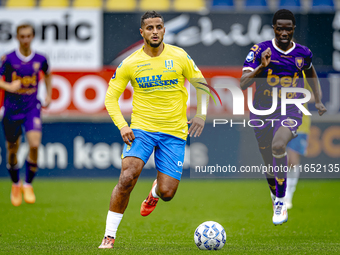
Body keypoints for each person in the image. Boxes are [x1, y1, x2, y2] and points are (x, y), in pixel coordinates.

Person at [99, 11, 209, 248]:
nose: (155, 31)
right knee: (127, 178)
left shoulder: (179, 56)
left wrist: (201, 114)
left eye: (159, 27)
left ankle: (155, 193)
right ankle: (109, 236)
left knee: (168, 193)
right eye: (150, 28)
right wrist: (122, 126)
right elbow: (110, 98)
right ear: (142, 32)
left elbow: (201, 84)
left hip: (174, 132)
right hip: (141, 130)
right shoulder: (130, 62)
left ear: (164, 30)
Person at [240, 9, 326, 225]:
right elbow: (243, 83)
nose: (284, 32)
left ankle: (280, 200)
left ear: (293, 29)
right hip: (262, 111)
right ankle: (277, 193)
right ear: (274, 28)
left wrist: (318, 99)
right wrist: (262, 67)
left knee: (279, 146)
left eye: (288, 28)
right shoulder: (260, 50)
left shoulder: (303, 53)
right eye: (280, 28)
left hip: (290, 109)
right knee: (269, 163)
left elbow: (311, 73)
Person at [0, 24, 52, 207]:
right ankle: (16, 184)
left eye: (28, 36)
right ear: (17, 37)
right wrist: (8, 86)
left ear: (32, 37)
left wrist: (48, 94)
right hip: (11, 110)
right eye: (22, 36)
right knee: (12, 150)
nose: (25, 39)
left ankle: (28, 184)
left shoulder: (40, 58)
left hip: (32, 108)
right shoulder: (8, 59)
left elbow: (47, 74)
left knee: (35, 145)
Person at [286, 72, 320, 209]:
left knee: (292, 161)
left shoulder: (306, 73)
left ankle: (288, 195)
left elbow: (318, 95)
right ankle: (280, 193)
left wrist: (300, 98)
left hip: (299, 123)